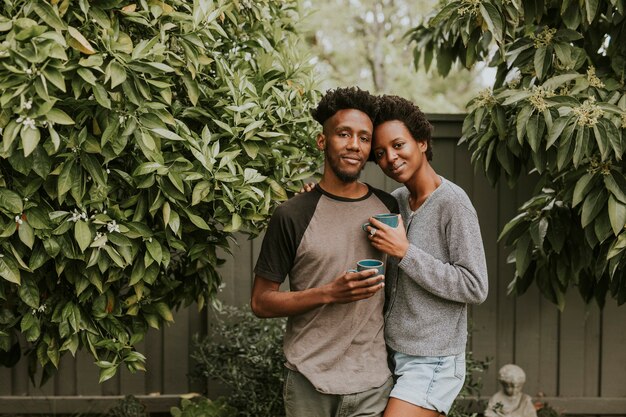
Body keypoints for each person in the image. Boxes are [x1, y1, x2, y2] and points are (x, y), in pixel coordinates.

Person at [251, 87, 398, 417]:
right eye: (343, 134)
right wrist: (330, 292)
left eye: (363, 138)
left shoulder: (389, 208)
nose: (353, 145)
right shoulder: (292, 214)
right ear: (322, 141)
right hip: (308, 382)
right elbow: (261, 302)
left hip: (372, 384)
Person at [365, 94, 489, 417]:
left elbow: (475, 285)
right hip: (391, 353)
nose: (390, 158)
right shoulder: (397, 201)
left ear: (421, 141)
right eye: (380, 153)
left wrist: (406, 252)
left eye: (398, 145)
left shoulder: (453, 204)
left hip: (433, 360)